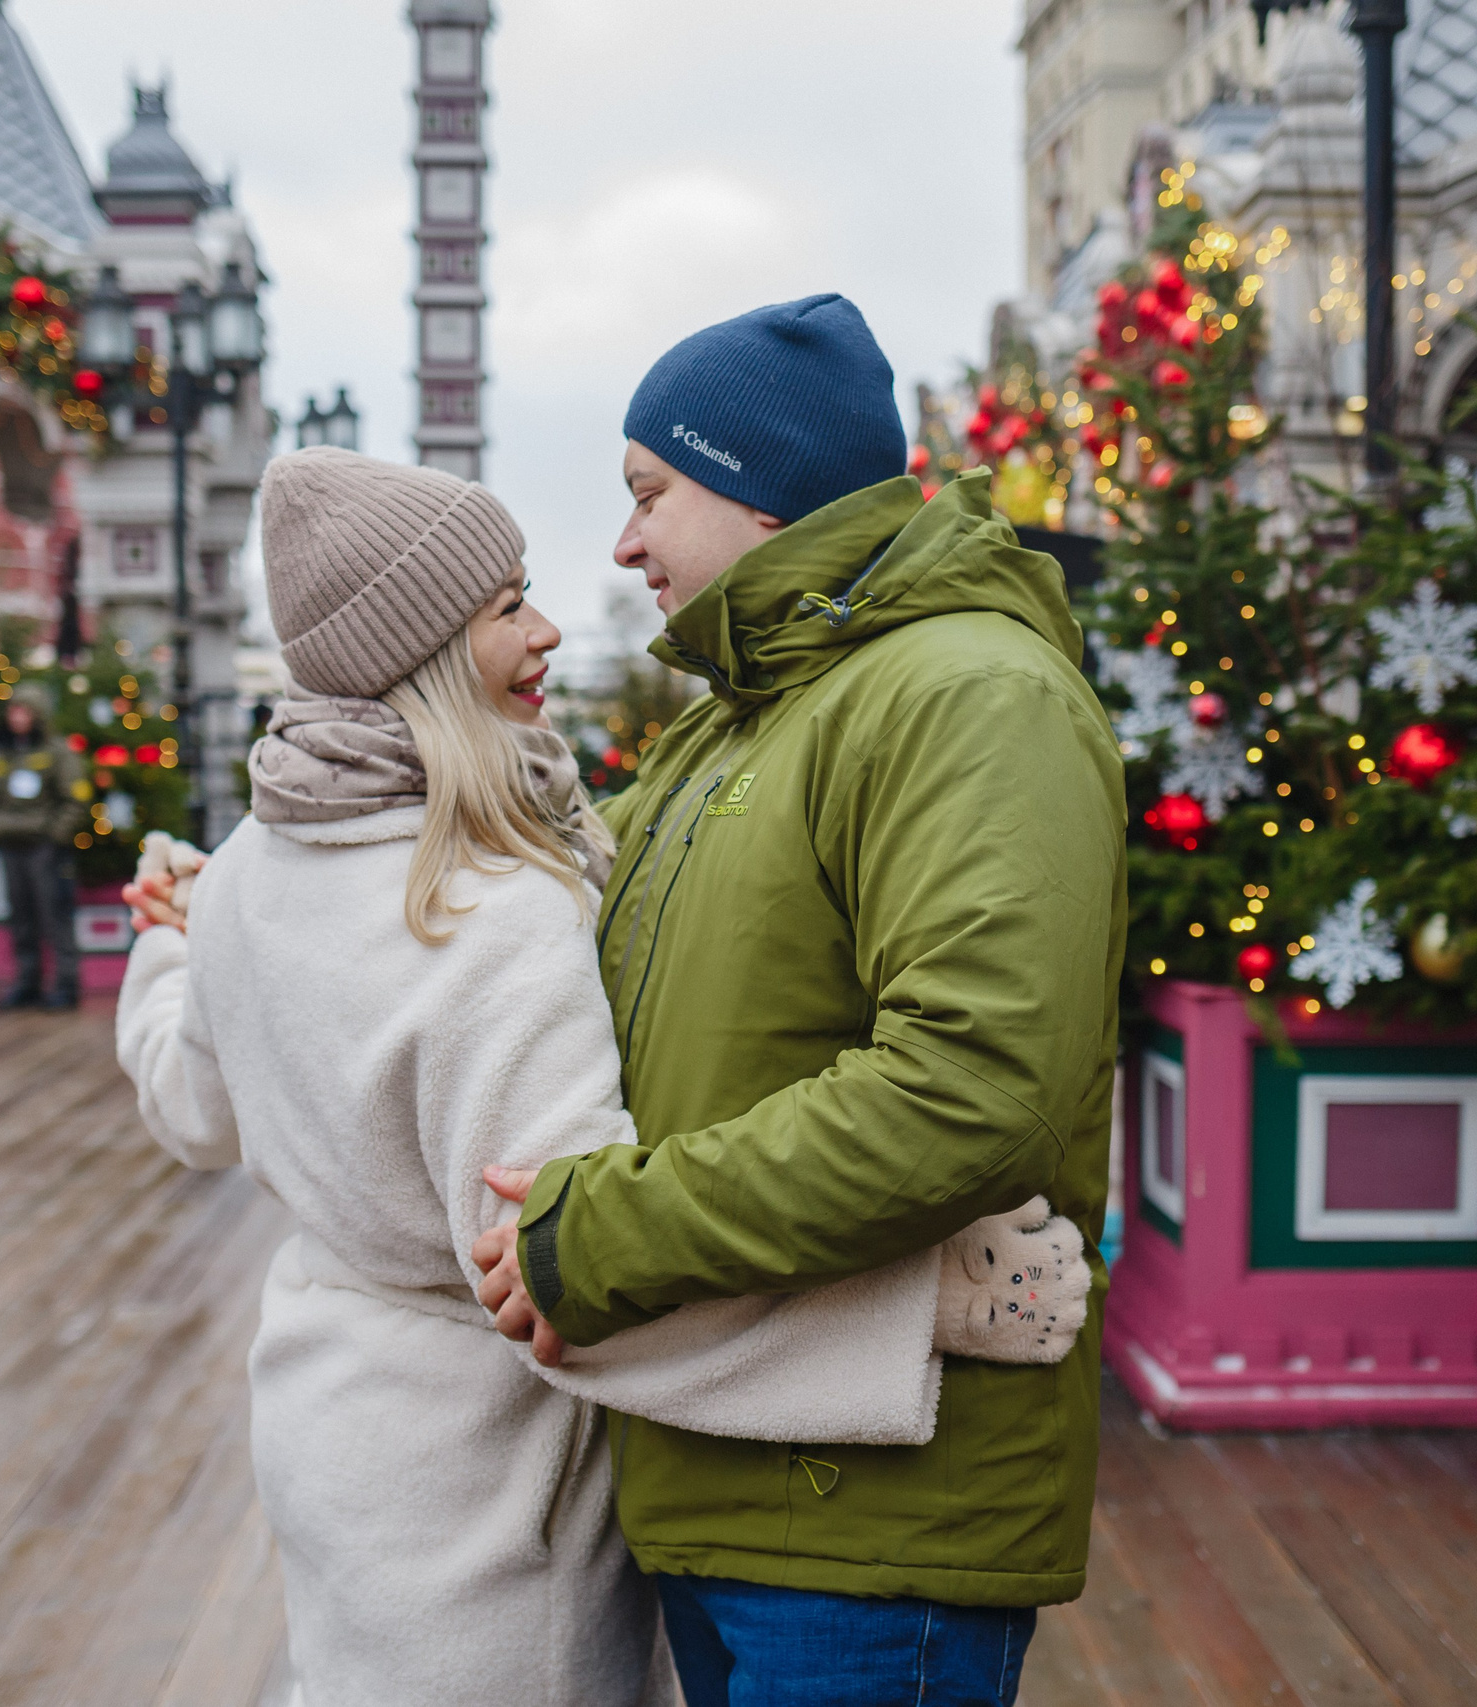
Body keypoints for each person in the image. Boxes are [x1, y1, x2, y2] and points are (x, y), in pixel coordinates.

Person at [111, 447, 1092, 1707]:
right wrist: (929, 1312)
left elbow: (189, 1107)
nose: (551, 628)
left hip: (330, 1431)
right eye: (506, 606)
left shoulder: (247, 869)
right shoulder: (484, 909)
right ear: (418, 648)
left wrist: (160, 948)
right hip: (483, 1500)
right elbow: (562, 1278)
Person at [470, 294, 1128, 1707]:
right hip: (733, 1465)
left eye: (651, 493)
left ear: (760, 492)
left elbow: (968, 1092)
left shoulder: (969, 697)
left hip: (871, 1522)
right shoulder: (744, 716)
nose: (625, 542)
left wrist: (601, 1230)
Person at [0, 681, 87, 1011]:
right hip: (11, 845)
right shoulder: (1, 755)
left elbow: (75, 799)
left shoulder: (57, 753)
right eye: (13, 710)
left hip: (44, 848)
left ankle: (66, 984)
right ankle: (28, 982)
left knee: (53, 915)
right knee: (21, 916)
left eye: (24, 711)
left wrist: (55, 835)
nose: (17, 718)